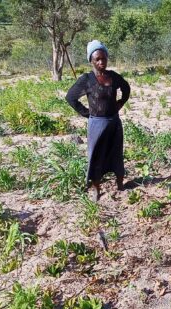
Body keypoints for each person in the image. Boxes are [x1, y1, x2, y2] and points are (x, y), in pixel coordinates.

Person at [66, 40, 130, 201]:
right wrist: (87, 113)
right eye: (97, 59)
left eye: (104, 58)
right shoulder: (87, 79)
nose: (101, 62)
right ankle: (96, 189)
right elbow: (71, 97)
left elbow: (126, 88)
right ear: (91, 61)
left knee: (116, 154)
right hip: (97, 125)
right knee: (96, 156)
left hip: (114, 123)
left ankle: (120, 184)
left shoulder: (113, 76)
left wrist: (120, 103)